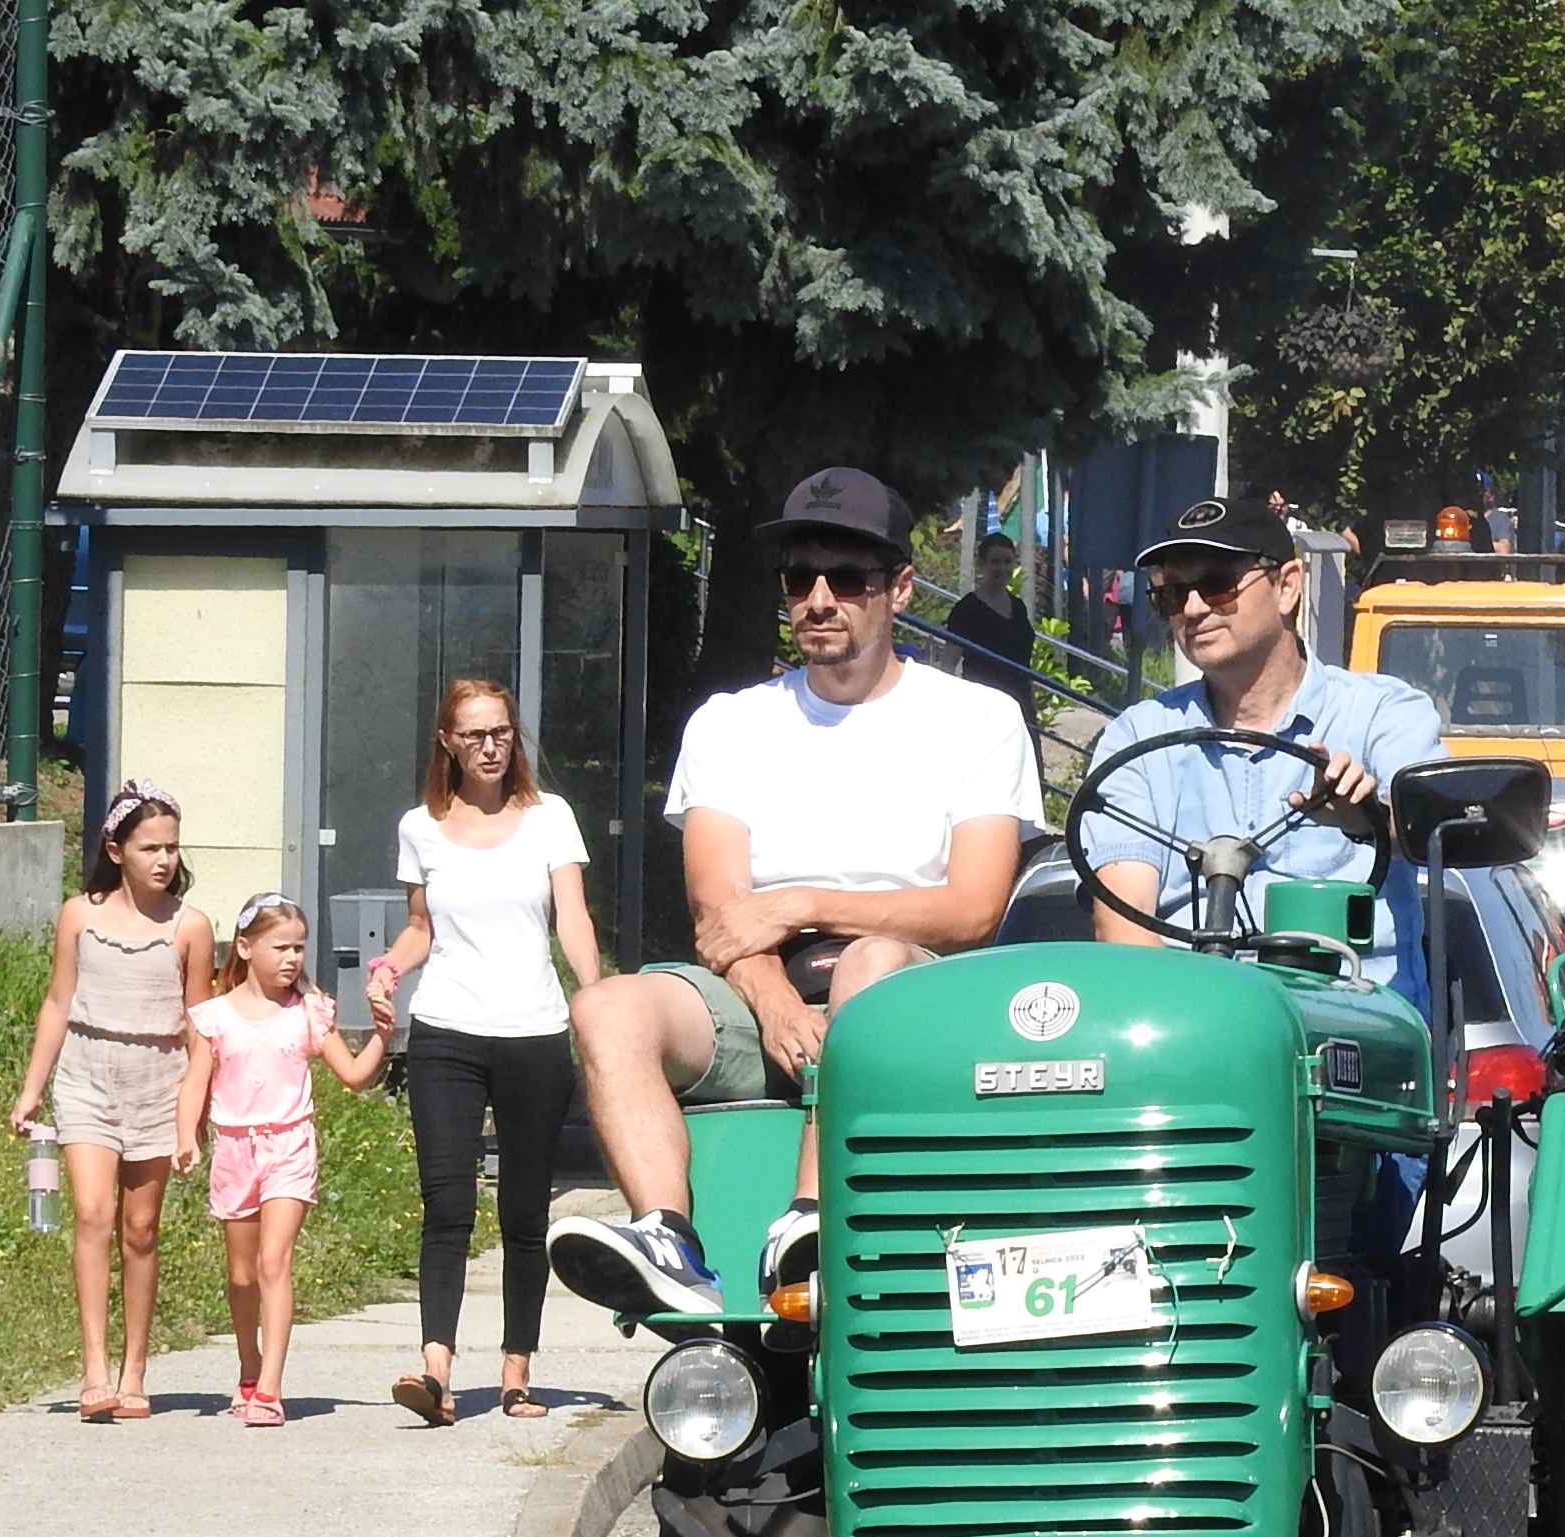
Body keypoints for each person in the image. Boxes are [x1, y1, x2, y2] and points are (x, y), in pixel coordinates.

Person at [548, 467, 1033, 1317]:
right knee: (608, 1009)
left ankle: (808, 1221)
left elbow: (973, 909)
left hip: (907, 994)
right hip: (755, 990)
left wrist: (805, 902)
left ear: (900, 589)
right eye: (799, 578)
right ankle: (667, 1236)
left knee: (873, 964)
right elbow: (719, 912)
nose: (819, 598)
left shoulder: (975, 718)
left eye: (846, 578)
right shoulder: (732, 722)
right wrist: (772, 999)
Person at [1085, 494, 1446, 1247]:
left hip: (1353, 1062)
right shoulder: (1138, 739)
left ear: (1286, 586)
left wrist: (1365, 813)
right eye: (1169, 592)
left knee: (1364, 1260)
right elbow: (1125, 932)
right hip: (1190, 1063)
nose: (1191, 607)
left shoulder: (1384, 716)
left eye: (1216, 582)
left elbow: (1432, 835)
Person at [361, 679, 600, 1427]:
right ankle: (436, 1370)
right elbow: (421, 927)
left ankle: (517, 1371)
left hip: (533, 1031)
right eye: (475, 736)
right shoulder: (421, 827)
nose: (492, 747)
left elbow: (573, 919)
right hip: (447, 1031)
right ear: (449, 744)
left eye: (501, 732)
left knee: (525, 1211)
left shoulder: (550, 819)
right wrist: (389, 968)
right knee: (447, 1205)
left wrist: (596, 1001)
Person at [10, 782, 215, 1422]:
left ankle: (135, 1372)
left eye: (172, 848)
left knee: (141, 1229)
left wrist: (195, 1116)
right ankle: (94, 1368)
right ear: (116, 848)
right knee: (93, 1213)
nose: (163, 860)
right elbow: (58, 1001)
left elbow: (199, 1026)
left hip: (158, 1077)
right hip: (86, 1072)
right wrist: (31, 1088)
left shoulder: (191, 926)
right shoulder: (80, 914)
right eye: (150, 847)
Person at [177, 896, 391, 1427]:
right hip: (233, 1147)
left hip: (289, 1145)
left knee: (275, 1262)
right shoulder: (214, 1016)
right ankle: (248, 1365)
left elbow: (353, 1075)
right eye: (281, 947)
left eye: (300, 947)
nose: (293, 958)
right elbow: (194, 1084)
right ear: (246, 948)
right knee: (242, 1274)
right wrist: (187, 1135)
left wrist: (385, 1034)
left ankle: (270, 1386)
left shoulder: (309, 1013)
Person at [944, 531, 1041, 735]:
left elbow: (1024, 664)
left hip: (1021, 705)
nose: (1002, 568)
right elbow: (948, 663)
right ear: (982, 564)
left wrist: (1032, 705)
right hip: (983, 707)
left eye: (1008, 562)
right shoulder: (966, 609)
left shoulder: (1018, 607)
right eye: (995, 561)